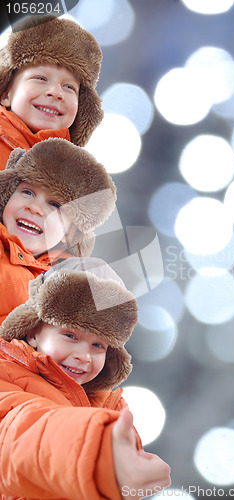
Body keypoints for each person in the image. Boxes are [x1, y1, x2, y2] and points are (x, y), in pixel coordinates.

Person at [0, 257, 171, 499]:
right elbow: (18, 432)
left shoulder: (109, 408)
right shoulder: (7, 377)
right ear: (33, 332)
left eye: (98, 345)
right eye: (70, 335)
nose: (84, 356)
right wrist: (98, 450)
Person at [0, 137, 116, 324]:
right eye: (27, 192)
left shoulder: (63, 287)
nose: (34, 208)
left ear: (71, 233)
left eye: (55, 205)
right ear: (6, 195)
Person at [0, 14, 103, 169]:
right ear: (6, 94)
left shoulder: (72, 172)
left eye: (69, 87)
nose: (56, 93)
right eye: (40, 78)